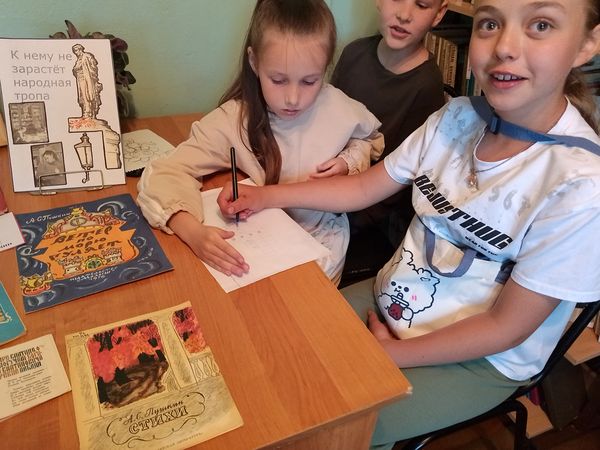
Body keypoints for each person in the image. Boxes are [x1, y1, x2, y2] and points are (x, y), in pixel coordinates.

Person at [218, 0, 600, 447]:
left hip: (479, 358)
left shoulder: (581, 186)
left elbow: (506, 327)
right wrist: (267, 196)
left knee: (329, 426)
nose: (505, 47)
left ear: (587, 43)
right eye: (490, 23)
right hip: (393, 297)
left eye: (541, 25)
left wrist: (391, 353)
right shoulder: (456, 118)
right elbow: (363, 188)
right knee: (273, 346)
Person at [137, 0, 383, 286]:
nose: (293, 98)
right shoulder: (235, 119)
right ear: (254, 62)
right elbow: (163, 172)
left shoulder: (338, 106)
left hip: (323, 247)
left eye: (309, 81)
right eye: (278, 80)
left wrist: (348, 162)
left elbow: (371, 140)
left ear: (325, 67)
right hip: (260, 247)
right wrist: (192, 231)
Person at [330, 0, 448, 284]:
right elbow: (326, 122)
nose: (404, 15)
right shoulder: (354, 53)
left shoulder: (427, 84)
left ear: (439, 14)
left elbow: (399, 184)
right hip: (327, 184)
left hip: (368, 217)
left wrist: (335, 210)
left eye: (421, 4)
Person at [72, 44, 103, 119]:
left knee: (88, 94)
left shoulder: (87, 56)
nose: (76, 53)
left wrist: (91, 73)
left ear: (80, 49)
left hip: (87, 78)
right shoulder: (78, 59)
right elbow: (75, 69)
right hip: (80, 79)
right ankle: (86, 111)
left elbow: (94, 65)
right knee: (83, 95)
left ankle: (89, 112)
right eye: (74, 51)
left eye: (76, 50)